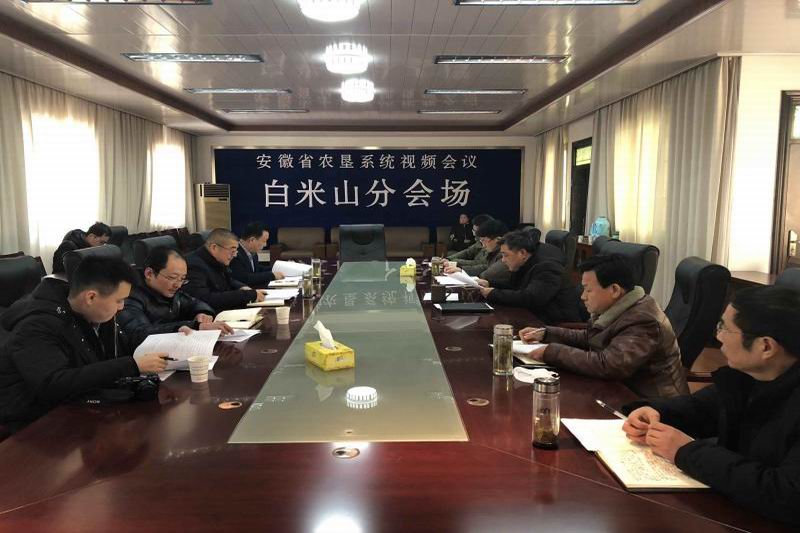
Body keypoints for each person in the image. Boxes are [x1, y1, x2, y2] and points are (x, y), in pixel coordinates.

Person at [621, 286, 800, 526]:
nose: (718, 336)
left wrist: (686, 452)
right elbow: (701, 409)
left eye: (725, 328)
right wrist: (656, 412)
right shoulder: (749, 377)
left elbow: (786, 495)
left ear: (765, 346)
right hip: (733, 509)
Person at [0, 256, 169, 431]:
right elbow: (53, 384)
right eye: (119, 300)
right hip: (32, 424)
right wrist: (131, 365)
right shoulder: (36, 326)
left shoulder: (93, 313)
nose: (122, 307)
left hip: (80, 408)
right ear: (90, 297)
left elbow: (121, 347)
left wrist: (172, 336)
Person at [519, 254, 688, 398]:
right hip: (620, 390)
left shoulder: (643, 320)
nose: (583, 296)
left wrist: (552, 352)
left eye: (588, 290)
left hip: (651, 405)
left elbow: (609, 365)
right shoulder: (618, 306)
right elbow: (590, 337)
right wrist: (545, 333)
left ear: (614, 290)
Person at [118, 246, 233, 350]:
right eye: (172, 277)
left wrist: (202, 313)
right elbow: (139, 334)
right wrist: (195, 326)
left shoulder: (168, 290)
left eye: (182, 279)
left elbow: (194, 303)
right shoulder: (128, 295)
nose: (178, 285)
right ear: (149, 273)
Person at [479, 230, 584, 324]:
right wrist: (489, 283)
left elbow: (531, 298)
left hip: (557, 325)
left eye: (505, 255)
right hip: (536, 317)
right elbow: (514, 285)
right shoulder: (526, 262)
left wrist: (493, 293)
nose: (503, 260)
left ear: (522, 253)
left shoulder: (547, 267)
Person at [184, 228, 264, 313]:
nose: (235, 255)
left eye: (236, 251)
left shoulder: (216, 260)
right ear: (214, 247)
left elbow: (229, 279)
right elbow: (205, 299)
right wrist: (246, 295)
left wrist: (242, 287)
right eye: (232, 250)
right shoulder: (194, 266)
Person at [444, 219, 509, 283]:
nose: (483, 246)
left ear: (498, 239)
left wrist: (459, 267)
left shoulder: (502, 254)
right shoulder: (492, 250)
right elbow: (468, 252)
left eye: (484, 240)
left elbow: (485, 271)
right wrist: (450, 260)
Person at [230, 222, 285, 288]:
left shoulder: (252, 252)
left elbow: (257, 269)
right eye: (264, 241)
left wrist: (278, 268)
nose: (265, 245)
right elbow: (245, 279)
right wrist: (272, 275)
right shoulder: (235, 254)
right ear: (252, 240)